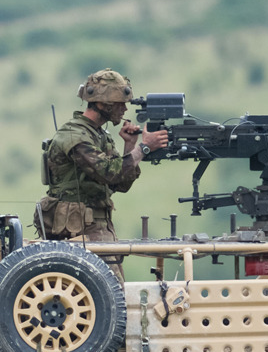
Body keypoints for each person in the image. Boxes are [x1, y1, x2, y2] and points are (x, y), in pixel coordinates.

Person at [35, 68, 168, 280]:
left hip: (97, 227)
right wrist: (143, 149)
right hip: (79, 232)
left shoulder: (98, 135)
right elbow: (109, 173)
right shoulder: (75, 135)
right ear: (102, 104)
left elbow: (121, 183)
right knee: (109, 293)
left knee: (113, 291)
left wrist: (129, 146)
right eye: (119, 103)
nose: (124, 109)